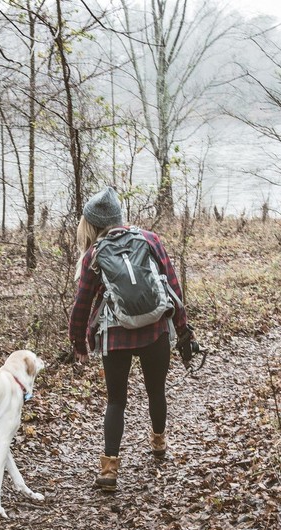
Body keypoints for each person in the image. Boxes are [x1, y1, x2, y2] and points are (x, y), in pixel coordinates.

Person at [68, 186, 196, 492]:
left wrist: (79, 344)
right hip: (156, 331)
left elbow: (82, 304)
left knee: (116, 401)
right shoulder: (149, 239)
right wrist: (183, 330)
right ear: (119, 216)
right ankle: (159, 443)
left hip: (115, 336)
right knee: (156, 391)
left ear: (91, 224)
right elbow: (172, 286)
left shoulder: (94, 254)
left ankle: (109, 469)